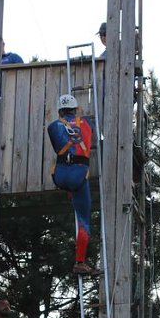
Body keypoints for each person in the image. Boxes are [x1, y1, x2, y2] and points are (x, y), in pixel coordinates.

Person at [46, 94, 100, 275]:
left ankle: (70, 191)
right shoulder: (87, 123)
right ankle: (80, 262)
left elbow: (56, 147)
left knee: (68, 180)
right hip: (78, 176)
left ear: (60, 111)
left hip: (59, 176)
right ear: (76, 109)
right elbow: (90, 135)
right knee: (84, 221)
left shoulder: (53, 126)